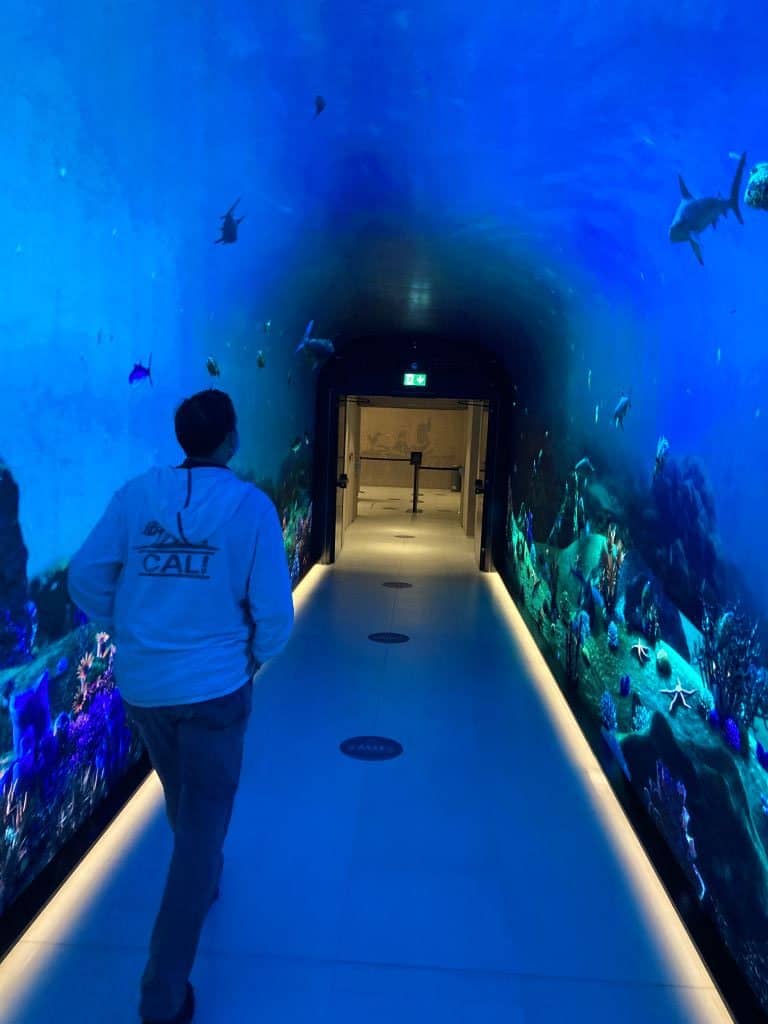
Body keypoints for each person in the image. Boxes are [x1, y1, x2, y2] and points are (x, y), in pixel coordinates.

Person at [67, 389, 294, 1024]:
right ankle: (163, 995)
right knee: (199, 831)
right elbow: (274, 613)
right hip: (216, 689)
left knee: (181, 792)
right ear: (231, 439)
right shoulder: (251, 507)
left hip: (144, 688)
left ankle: (207, 871)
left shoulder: (137, 495)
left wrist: (133, 626)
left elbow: (85, 576)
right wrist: (255, 656)